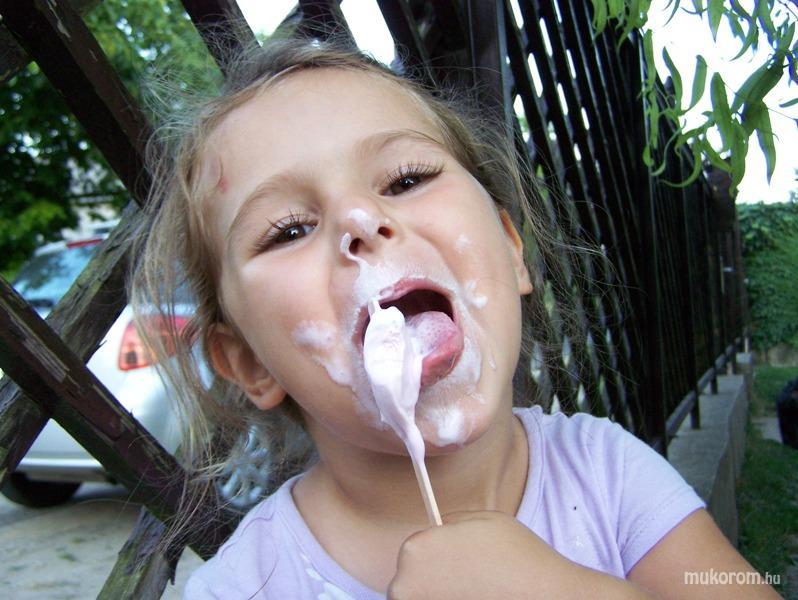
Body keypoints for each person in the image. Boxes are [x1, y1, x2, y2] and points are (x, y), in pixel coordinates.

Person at [130, 37, 778, 599]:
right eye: (290, 229)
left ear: (512, 251)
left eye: (406, 179)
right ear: (249, 363)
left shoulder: (608, 475)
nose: (361, 219)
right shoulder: (245, 585)